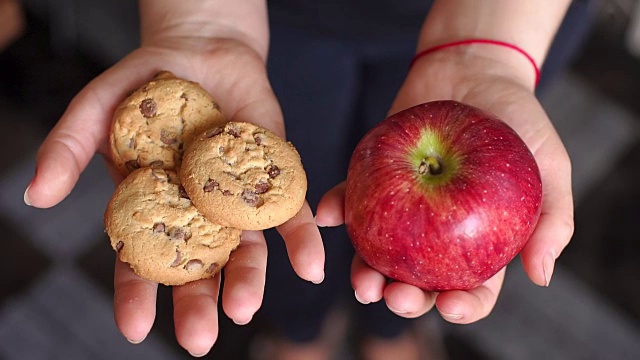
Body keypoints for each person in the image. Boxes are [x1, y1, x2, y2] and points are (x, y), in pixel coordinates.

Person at [23, 0, 587, 358]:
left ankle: (389, 337)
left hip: (504, 14)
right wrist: (199, 18)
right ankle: (299, 334)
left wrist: (486, 50)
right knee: (302, 224)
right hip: (272, 19)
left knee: (398, 255)